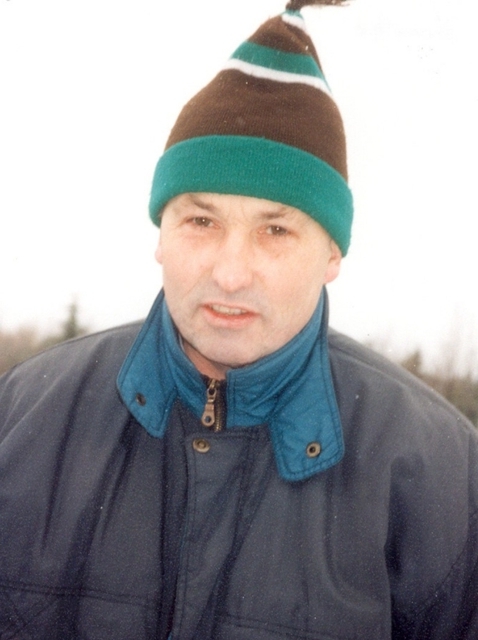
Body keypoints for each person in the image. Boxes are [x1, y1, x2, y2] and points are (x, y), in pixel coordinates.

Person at [1, 1, 477, 638]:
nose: (230, 274)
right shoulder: (24, 417)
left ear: (332, 255)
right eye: (201, 221)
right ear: (160, 234)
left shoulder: (443, 475)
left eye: (275, 230)